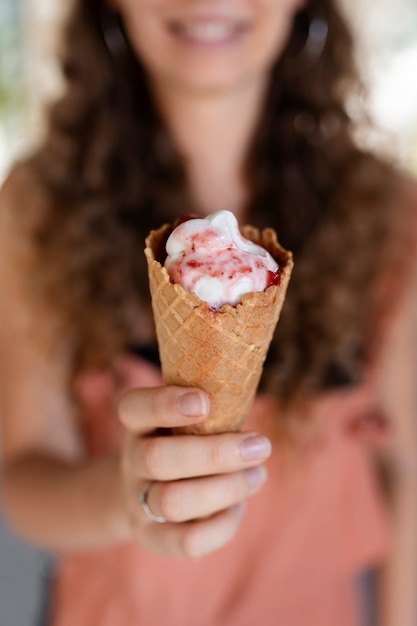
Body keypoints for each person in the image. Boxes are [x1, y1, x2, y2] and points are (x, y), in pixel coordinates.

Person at [0, 0, 416, 624]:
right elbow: (23, 477)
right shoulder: (37, 209)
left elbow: (409, 480)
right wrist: (122, 497)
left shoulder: (391, 218)